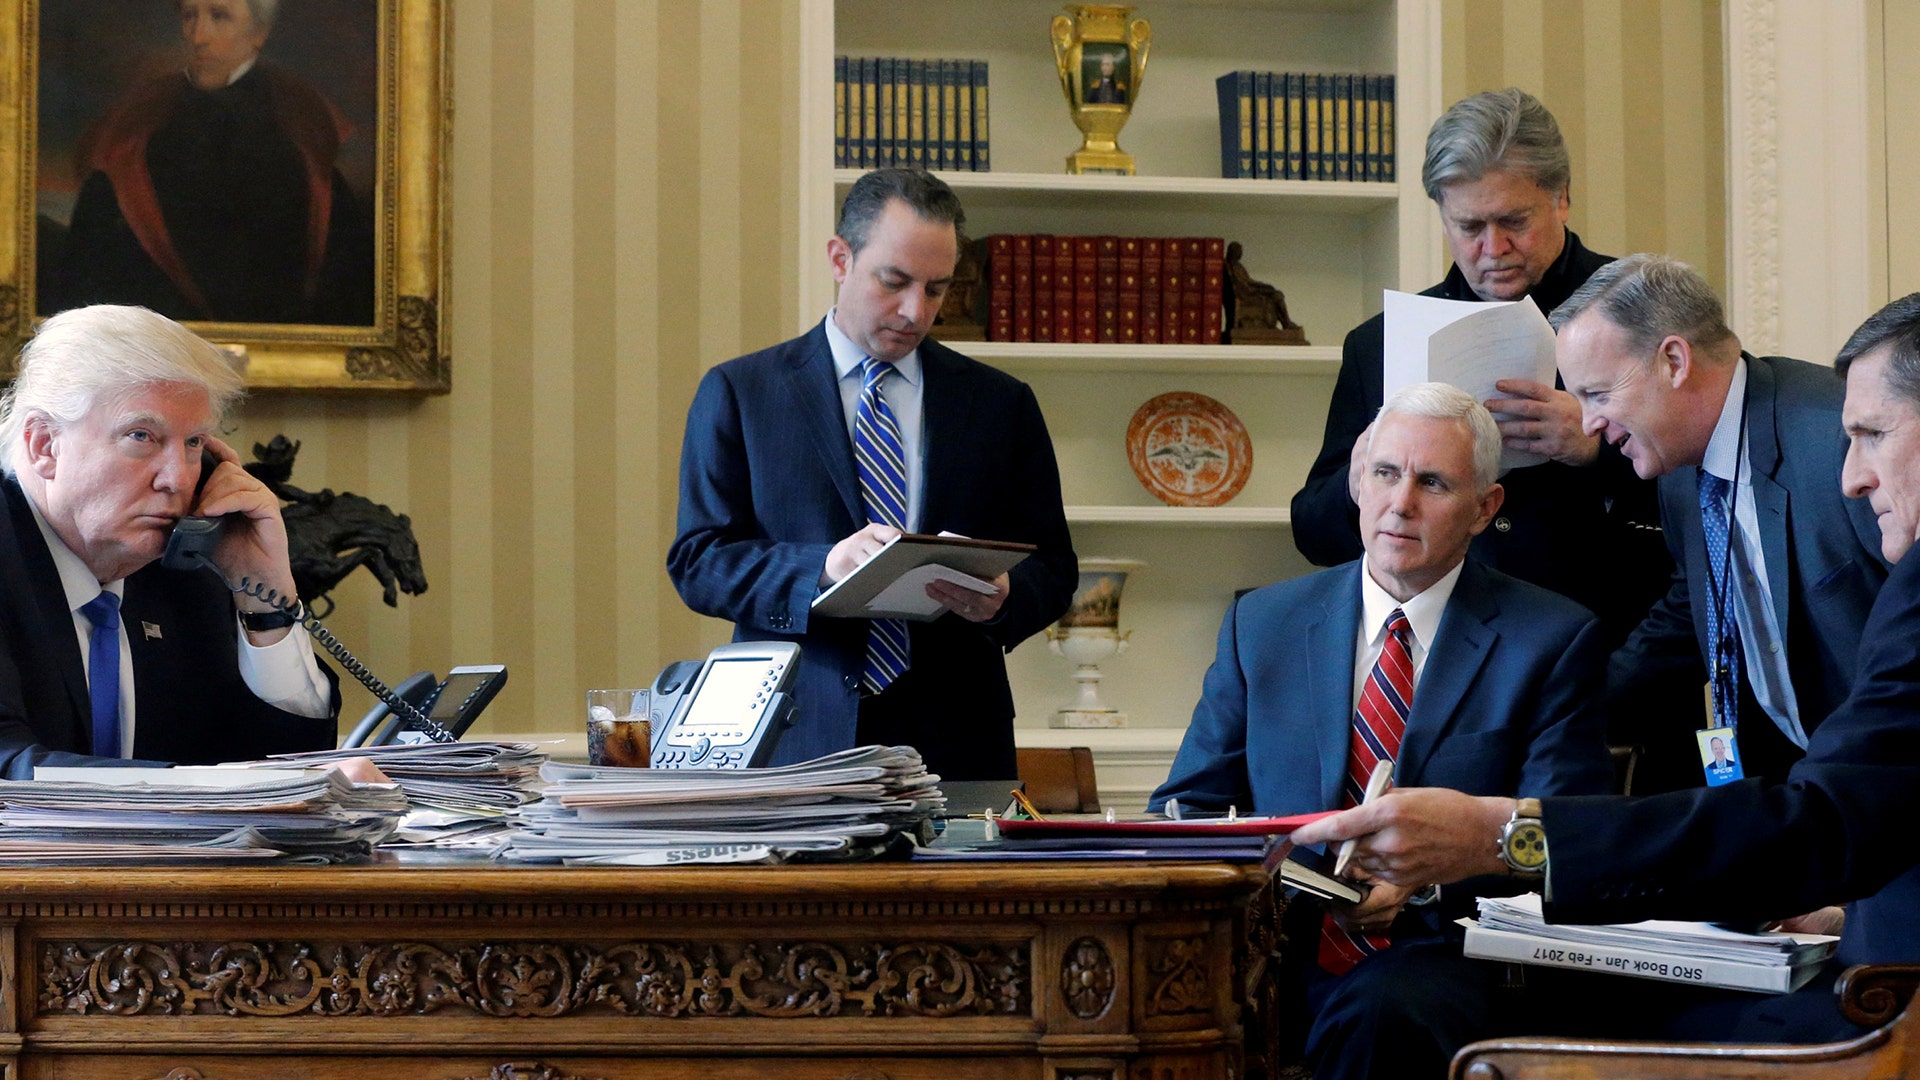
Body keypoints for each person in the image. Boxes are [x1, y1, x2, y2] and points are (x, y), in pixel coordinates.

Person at [1291, 291, 1920, 1047]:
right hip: (1849, 874)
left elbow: (1838, 804)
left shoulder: (1820, 450)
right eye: (1384, 474)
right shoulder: (1684, 476)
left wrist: (1502, 834)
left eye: (1873, 435)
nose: (1853, 476)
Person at [1152, 383, 1614, 1080]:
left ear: (1485, 508)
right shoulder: (1264, 624)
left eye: (1433, 483)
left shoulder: (1551, 639)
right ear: (1356, 483)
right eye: (1385, 473)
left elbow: (1561, 841)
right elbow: (1186, 809)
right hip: (1272, 945)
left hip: (1444, 954)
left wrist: (1425, 883)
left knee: (1379, 1010)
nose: (1400, 503)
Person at [668, 168, 1078, 781]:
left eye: (937, 289)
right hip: (791, 735)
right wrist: (823, 567)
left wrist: (1004, 597)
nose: (915, 311)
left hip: (960, 742)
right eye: (895, 281)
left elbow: (1055, 567)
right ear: (841, 259)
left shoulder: (1001, 403)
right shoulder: (742, 391)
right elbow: (698, 562)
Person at [1290, 88, 1669, 657]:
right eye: (1469, 226)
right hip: (1437, 664)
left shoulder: (1648, 310)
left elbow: (1721, 494)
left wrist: (1598, 448)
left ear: (1562, 199)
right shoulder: (1379, 343)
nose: (1494, 248)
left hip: (1615, 654)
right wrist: (1358, 481)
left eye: (1513, 221)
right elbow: (1313, 535)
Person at [1552, 255, 1886, 791]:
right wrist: (1561, 710)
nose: (1588, 423)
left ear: (1674, 361)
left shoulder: (1838, 439)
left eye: (1598, 394)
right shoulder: (1677, 466)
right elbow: (1693, 610)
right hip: (1797, 780)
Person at [0, 304, 341, 779]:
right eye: (141, 436)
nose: (177, 479)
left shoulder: (188, 575)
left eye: (194, 443)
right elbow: (10, 768)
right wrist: (196, 787)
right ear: (44, 445)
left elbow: (288, 772)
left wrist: (265, 602)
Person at [54, 0, 374, 325]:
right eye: (189, 16)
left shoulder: (300, 127)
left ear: (259, 32)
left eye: (219, 17)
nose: (197, 36)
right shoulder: (142, 120)